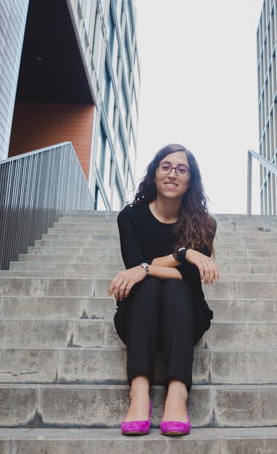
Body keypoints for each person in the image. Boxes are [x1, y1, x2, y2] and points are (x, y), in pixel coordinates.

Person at [108, 144, 218, 436]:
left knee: (172, 287)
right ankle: (139, 392)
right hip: (138, 314)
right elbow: (135, 269)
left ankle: (178, 393)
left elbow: (188, 281)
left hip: (185, 313)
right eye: (166, 167)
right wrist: (184, 255)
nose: (173, 174)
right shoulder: (131, 217)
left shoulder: (204, 224)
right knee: (150, 285)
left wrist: (148, 267)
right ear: (154, 174)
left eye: (181, 169)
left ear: (190, 180)